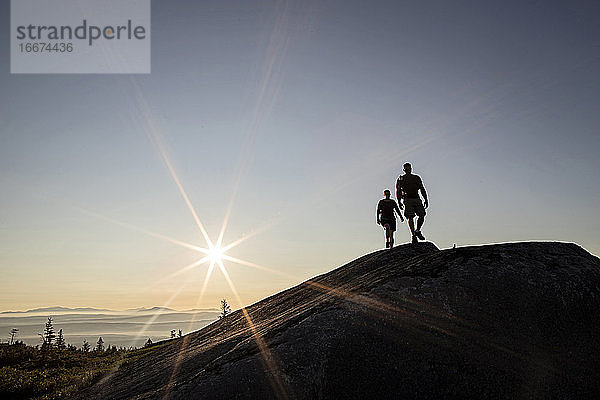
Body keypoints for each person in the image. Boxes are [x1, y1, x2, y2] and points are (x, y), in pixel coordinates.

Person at [396, 163, 429, 244]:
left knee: (422, 215)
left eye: (409, 168)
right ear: (404, 170)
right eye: (406, 168)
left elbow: (422, 188)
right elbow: (398, 190)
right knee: (410, 217)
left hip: (416, 198)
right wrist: (399, 201)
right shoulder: (401, 178)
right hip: (407, 199)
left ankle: (417, 230)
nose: (408, 170)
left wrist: (426, 199)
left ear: (411, 169)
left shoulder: (416, 178)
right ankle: (413, 235)